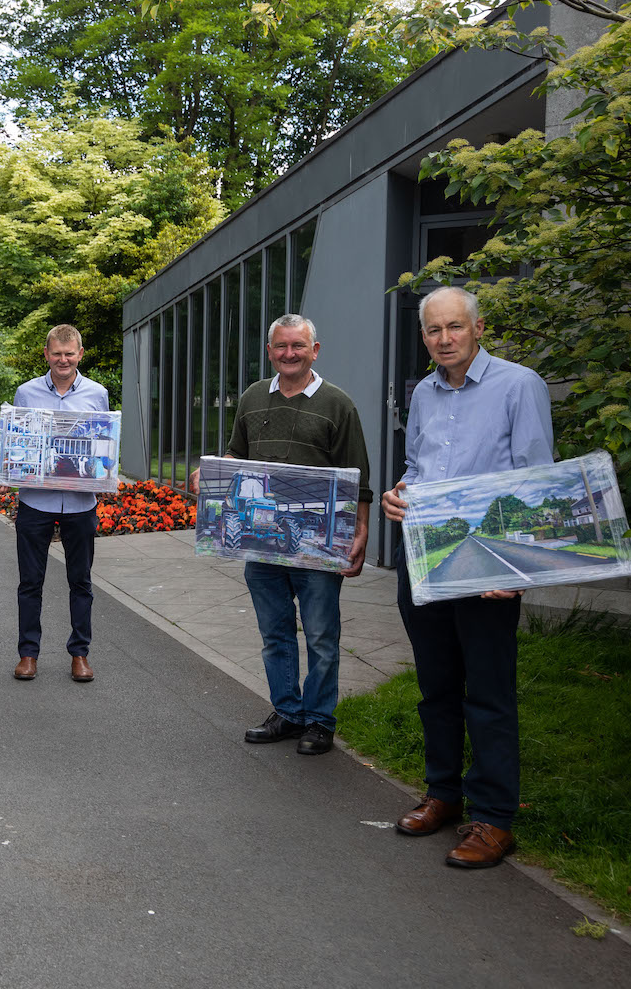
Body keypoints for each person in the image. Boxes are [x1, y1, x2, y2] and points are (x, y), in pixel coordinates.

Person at [382, 285, 553, 868]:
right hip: (426, 552)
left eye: (455, 327)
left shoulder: (518, 385)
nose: (444, 339)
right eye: (433, 330)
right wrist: (398, 495)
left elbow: (535, 483)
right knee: (436, 684)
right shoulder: (424, 392)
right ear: (424, 336)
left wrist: (520, 567)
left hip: (487, 560)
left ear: (478, 328)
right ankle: (444, 794)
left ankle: (494, 817)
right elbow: (420, 464)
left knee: (488, 690)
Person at [192, 314, 371, 757]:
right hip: (261, 541)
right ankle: (288, 713)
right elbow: (238, 453)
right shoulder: (253, 397)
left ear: (315, 349)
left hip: (318, 546)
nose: (289, 354)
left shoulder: (338, 404)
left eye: (298, 346)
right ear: (270, 351)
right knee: (275, 634)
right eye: (281, 347)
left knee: (321, 637)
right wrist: (212, 471)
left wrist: (361, 529)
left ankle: (320, 721)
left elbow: (357, 478)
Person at [10, 324, 110, 684]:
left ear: (80, 354)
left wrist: (105, 473)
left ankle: (79, 654)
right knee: (29, 582)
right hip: (36, 500)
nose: (63, 360)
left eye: (70, 354)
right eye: (57, 354)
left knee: (80, 581)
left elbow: (103, 446)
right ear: (46, 354)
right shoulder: (26, 392)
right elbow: (18, 443)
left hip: (80, 504)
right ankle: (28, 654)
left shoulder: (98, 394)